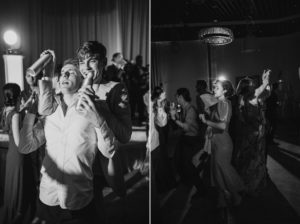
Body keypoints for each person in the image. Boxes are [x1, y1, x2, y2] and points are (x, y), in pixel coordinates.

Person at [18, 59, 117, 224]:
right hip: (48, 196)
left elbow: (109, 151)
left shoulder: (93, 108)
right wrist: (31, 113)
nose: (64, 74)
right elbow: (26, 146)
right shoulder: (50, 112)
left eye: (70, 72)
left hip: (79, 197)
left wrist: (99, 121)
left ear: (80, 79)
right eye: (62, 72)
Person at [198, 80, 244, 222]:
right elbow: (215, 117)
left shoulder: (225, 103)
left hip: (224, 144)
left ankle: (236, 196)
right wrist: (208, 114)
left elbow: (223, 126)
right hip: (216, 143)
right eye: (213, 87)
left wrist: (206, 122)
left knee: (223, 171)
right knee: (217, 173)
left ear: (224, 91)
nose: (213, 89)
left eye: (217, 87)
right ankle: (224, 200)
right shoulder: (218, 104)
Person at [0, 83, 35, 224]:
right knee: (20, 184)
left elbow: (19, 111)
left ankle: (14, 212)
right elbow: (19, 140)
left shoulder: (6, 110)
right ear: (17, 95)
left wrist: (28, 102)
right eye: (20, 93)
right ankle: (19, 216)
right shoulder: (15, 115)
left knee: (14, 184)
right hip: (19, 154)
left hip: (12, 155)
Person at [234, 70, 271, 197]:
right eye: (251, 84)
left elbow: (266, 93)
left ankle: (246, 183)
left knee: (247, 159)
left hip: (248, 132)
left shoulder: (241, 99)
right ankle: (253, 186)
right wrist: (265, 80)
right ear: (247, 87)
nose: (253, 86)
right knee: (255, 159)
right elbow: (264, 88)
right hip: (255, 133)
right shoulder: (252, 96)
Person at [170, 88, 206, 198]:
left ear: (181, 97)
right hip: (186, 137)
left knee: (187, 164)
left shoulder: (190, 109)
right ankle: (185, 181)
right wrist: (175, 115)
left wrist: (174, 118)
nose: (176, 99)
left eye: (177, 97)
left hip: (191, 139)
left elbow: (186, 127)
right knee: (178, 159)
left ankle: (201, 188)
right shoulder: (184, 108)